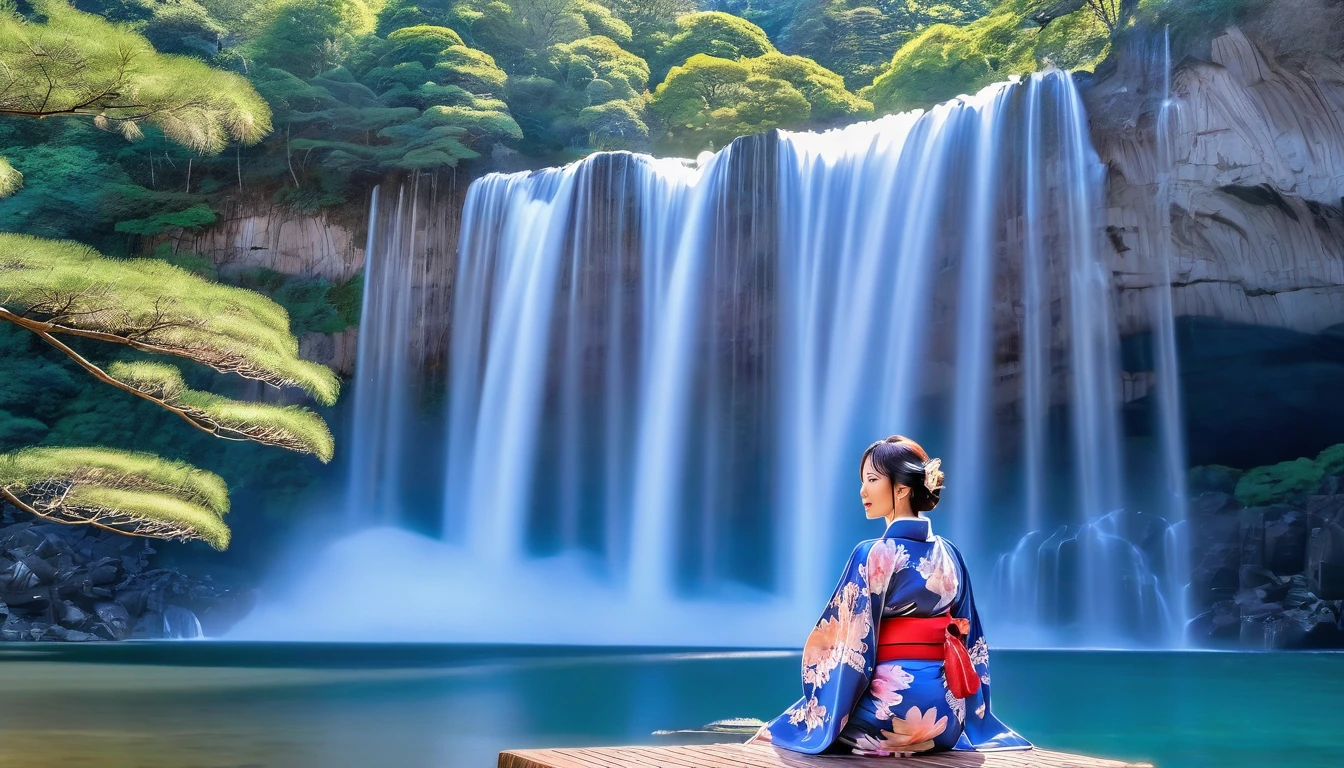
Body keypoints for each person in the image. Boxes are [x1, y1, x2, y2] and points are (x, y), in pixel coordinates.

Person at [750, 435, 1031, 756]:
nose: (862, 491)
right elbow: (973, 645)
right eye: (862, 481)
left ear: (902, 489)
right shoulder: (952, 554)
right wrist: (972, 714)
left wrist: (819, 710)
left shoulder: (874, 554)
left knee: (788, 726)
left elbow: (845, 649)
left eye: (872, 480)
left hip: (890, 715)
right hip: (946, 720)